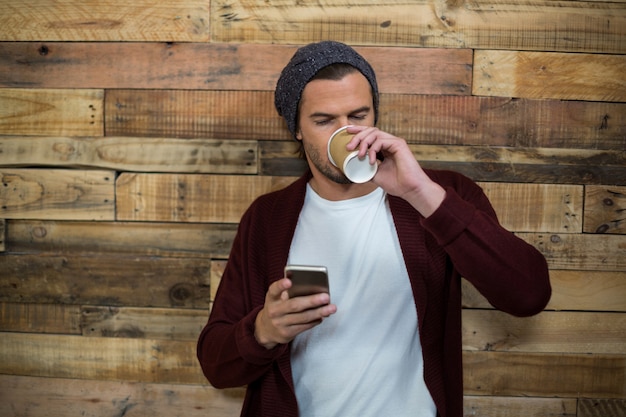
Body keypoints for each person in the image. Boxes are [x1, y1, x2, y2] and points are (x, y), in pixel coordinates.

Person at [197, 40, 551, 417]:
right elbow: (216, 366)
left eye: (358, 115)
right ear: (296, 129)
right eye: (324, 120)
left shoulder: (441, 195)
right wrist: (263, 331)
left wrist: (421, 193)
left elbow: (527, 295)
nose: (346, 133)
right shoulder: (268, 219)